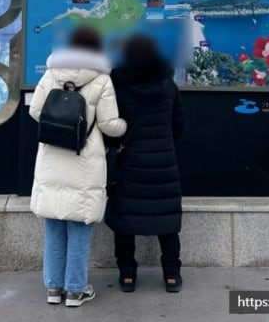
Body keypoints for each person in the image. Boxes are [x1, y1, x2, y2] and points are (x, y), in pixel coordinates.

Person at [29, 25, 127, 307]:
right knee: (80, 228)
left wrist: (58, 126)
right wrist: (123, 127)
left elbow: (36, 111)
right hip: (85, 159)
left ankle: (53, 289)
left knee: (54, 228)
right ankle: (75, 290)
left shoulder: (52, 73)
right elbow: (109, 124)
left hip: (52, 157)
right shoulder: (102, 79)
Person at [104, 33, 187, 293]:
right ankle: (171, 275)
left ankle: (127, 274)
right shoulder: (168, 83)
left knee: (124, 220)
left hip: (129, 161)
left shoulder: (117, 83)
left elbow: (110, 126)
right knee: (167, 221)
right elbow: (179, 124)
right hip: (163, 162)